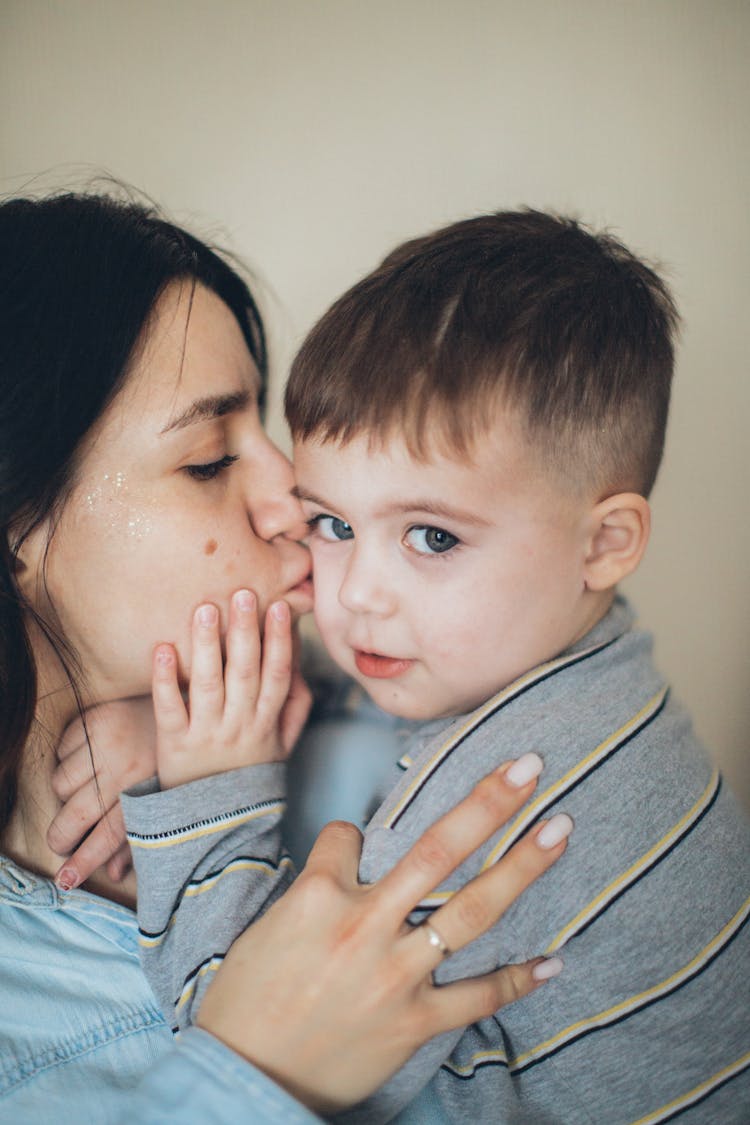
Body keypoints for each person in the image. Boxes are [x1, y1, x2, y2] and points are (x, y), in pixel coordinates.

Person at [113, 210, 749, 1122]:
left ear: (605, 541)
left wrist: (209, 781)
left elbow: (236, 1036)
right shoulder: (594, 678)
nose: (357, 595)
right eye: (332, 523)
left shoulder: (498, 795)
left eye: (431, 535)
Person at [0, 191, 572, 1124]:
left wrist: (190, 748)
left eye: (263, 429)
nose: (297, 493)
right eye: (209, 460)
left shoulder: (359, 729)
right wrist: (253, 1070)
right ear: (16, 526)